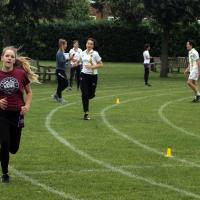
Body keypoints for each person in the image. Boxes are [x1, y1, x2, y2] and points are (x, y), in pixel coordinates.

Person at [0, 46, 37, 183]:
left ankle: (6, 149)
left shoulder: (20, 74)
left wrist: (26, 105)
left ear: (14, 60)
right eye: (7, 56)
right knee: (4, 142)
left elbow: (29, 92)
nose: (9, 58)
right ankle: (5, 174)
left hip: (17, 115)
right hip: (2, 114)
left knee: (13, 148)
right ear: (2, 58)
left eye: (12, 56)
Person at [80, 38, 103, 120]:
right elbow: (80, 62)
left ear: (93, 45)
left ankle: (90, 95)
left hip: (93, 76)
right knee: (84, 94)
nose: (89, 45)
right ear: (86, 44)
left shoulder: (95, 54)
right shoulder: (82, 53)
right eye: (88, 43)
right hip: (84, 75)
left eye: (91, 44)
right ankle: (86, 113)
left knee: (91, 95)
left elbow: (101, 64)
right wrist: (75, 63)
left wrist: (92, 67)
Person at [53, 39, 69, 103]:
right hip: (59, 71)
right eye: (66, 44)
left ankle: (59, 97)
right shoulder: (59, 52)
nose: (66, 45)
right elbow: (61, 62)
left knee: (60, 85)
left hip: (61, 70)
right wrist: (68, 59)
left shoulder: (62, 52)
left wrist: (67, 62)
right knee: (66, 83)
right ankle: (57, 95)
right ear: (62, 45)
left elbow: (63, 62)